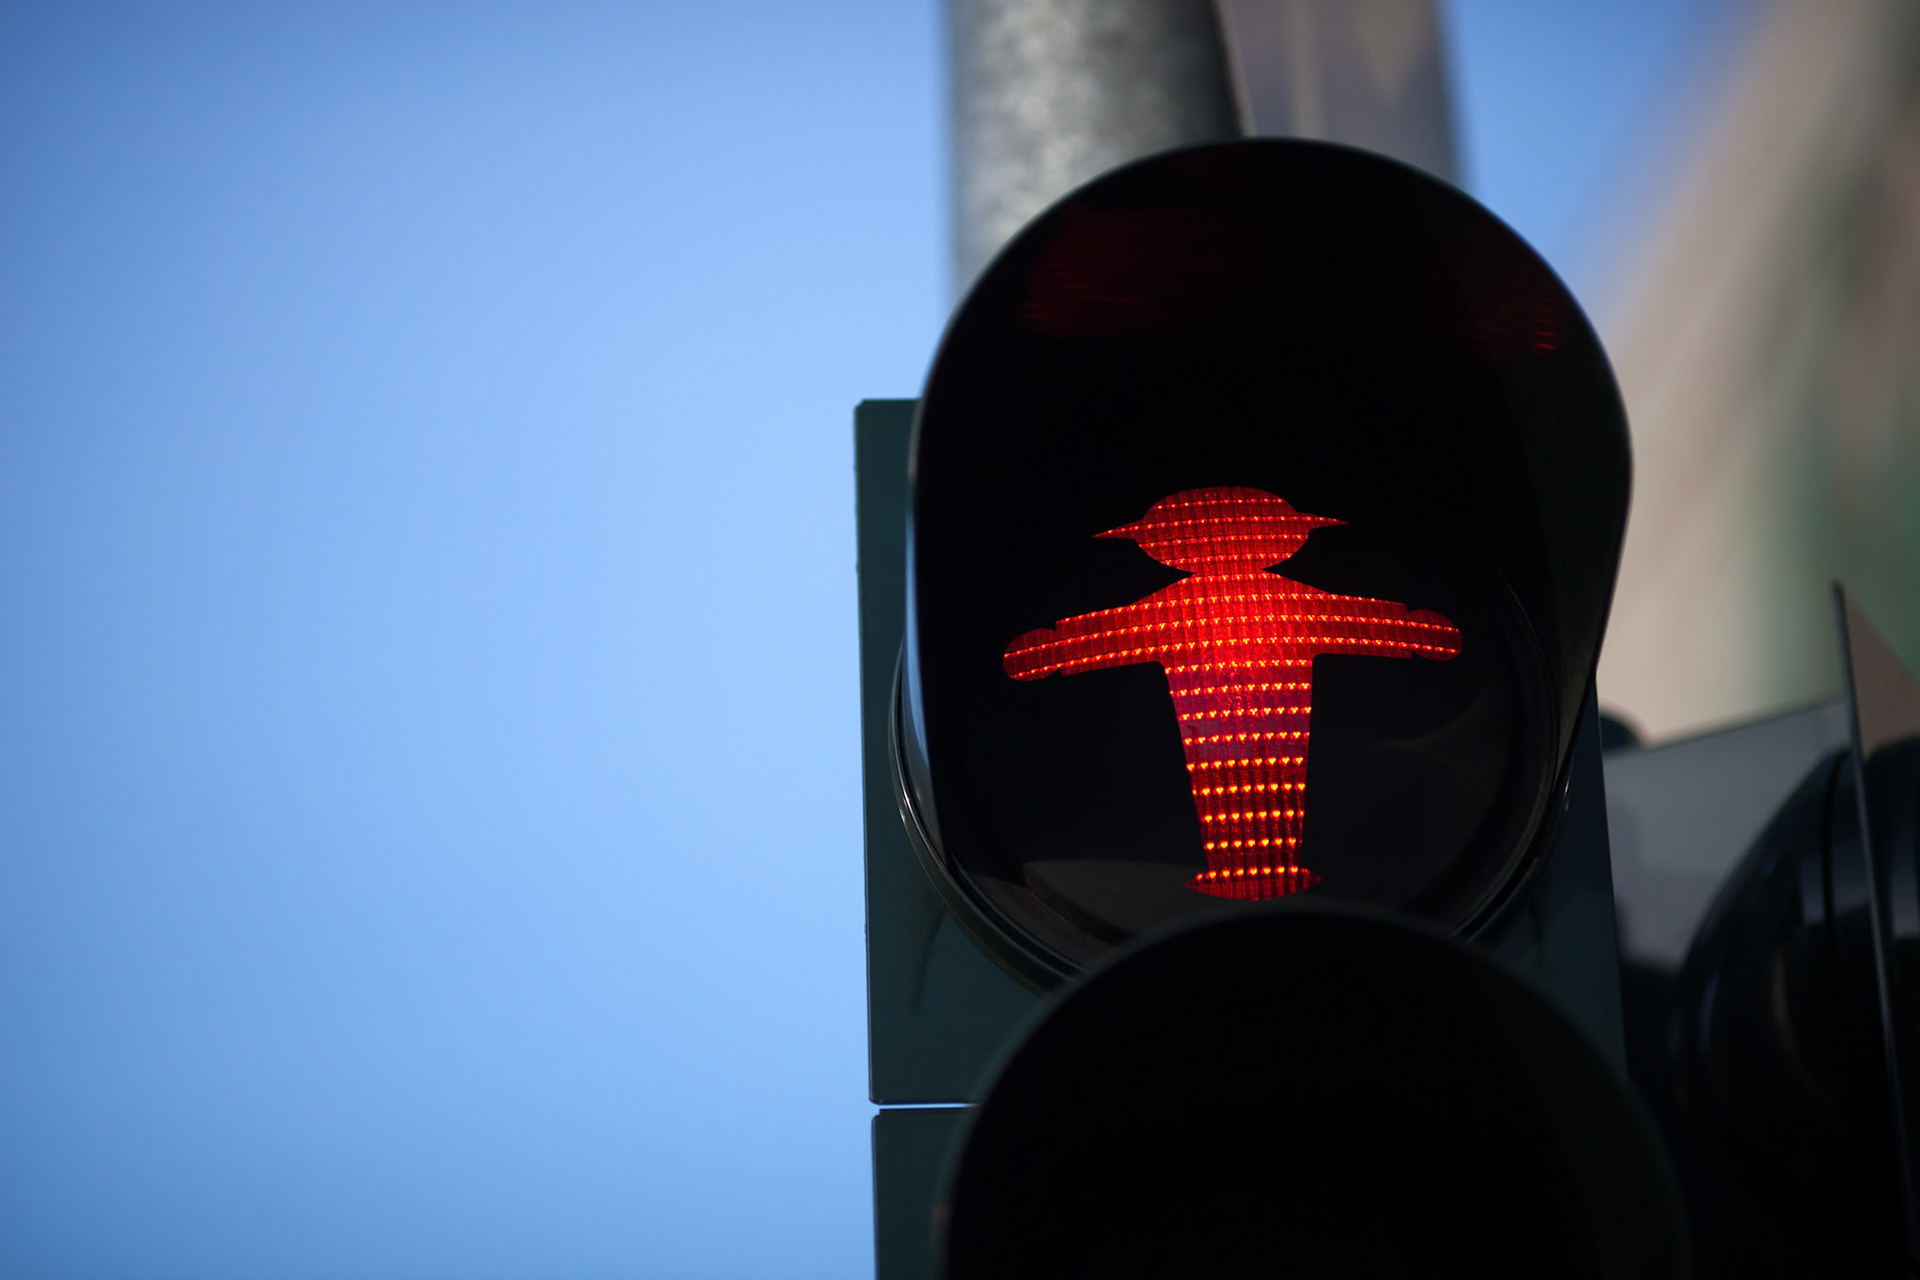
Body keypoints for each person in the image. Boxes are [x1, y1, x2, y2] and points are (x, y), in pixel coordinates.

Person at [1003, 486, 1461, 900]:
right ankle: (1252, 868)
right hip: (1230, 718)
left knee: (1253, 789)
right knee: (1237, 790)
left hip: (1236, 719)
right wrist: (1418, 630)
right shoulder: (1189, 608)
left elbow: (1109, 630)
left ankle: (1262, 868)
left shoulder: (1190, 607)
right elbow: (1360, 619)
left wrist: (1048, 649)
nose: (1221, 544)